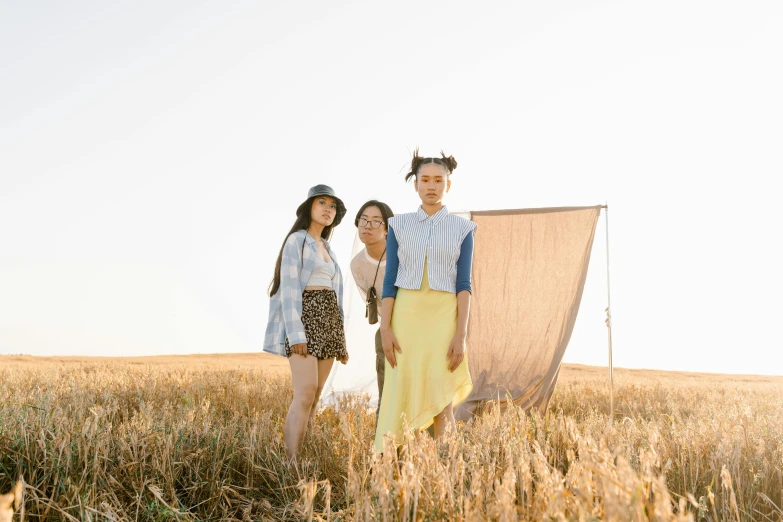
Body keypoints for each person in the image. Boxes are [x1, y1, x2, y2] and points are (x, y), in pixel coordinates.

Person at [375, 150, 477, 453]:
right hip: (405, 320)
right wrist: (386, 328)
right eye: (425, 180)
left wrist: (461, 334)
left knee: (441, 397)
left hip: (444, 321)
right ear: (416, 184)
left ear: (448, 184)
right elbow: (390, 279)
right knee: (403, 395)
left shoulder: (463, 228)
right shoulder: (398, 225)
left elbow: (464, 284)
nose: (431, 186)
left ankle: (447, 471)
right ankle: (399, 468)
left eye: (438, 180)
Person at [263, 184, 350, 460]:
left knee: (315, 398)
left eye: (332, 206)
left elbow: (336, 296)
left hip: (329, 320)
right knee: (304, 394)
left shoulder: (328, 248)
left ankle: (304, 456)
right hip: (305, 317)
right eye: (322, 203)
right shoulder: (297, 241)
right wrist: (296, 333)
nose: (328, 209)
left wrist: (341, 339)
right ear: (309, 208)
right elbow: (289, 289)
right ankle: (290, 464)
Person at [349, 200, 395, 425]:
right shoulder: (357, 264)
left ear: (387, 228)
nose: (367, 225)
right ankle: (384, 456)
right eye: (363, 220)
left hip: (415, 329)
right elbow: (372, 303)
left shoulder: (402, 252)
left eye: (375, 221)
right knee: (386, 397)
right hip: (385, 333)